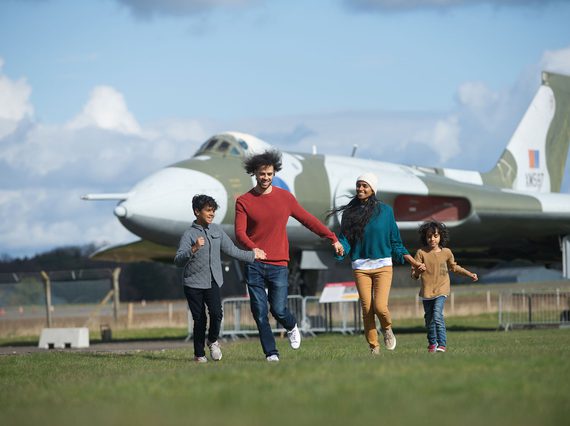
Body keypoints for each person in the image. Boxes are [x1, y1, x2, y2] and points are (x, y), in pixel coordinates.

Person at [235, 150, 344, 362]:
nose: (265, 177)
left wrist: (332, 237)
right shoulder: (244, 201)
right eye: (261, 174)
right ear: (254, 174)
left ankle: (292, 325)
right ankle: (271, 353)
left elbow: (308, 220)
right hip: (254, 263)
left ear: (274, 173)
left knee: (278, 309)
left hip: (278, 264)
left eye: (269, 173)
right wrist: (252, 248)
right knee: (259, 311)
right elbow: (239, 233)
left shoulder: (285, 198)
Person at [330, 172, 424, 354]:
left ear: (373, 189)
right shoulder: (349, 213)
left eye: (364, 185)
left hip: (383, 265)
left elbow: (395, 242)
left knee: (380, 306)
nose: (360, 189)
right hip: (360, 267)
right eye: (358, 185)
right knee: (367, 309)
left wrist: (412, 261)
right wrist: (341, 248)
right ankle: (374, 347)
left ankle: (387, 328)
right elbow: (346, 239)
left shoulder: (386, 211)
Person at [174, 194, 266, 363]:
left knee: (217, 314)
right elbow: (178, 260)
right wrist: (193, 249)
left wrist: (253, 255)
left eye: (213, 211)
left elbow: (232, 250)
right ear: (197, 212)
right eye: (208, 211)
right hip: (193, 283)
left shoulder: (217, 231)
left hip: (213, 281)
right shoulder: (188, 234)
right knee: (199, 319)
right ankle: (199, 354)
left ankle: (213, 341)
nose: (212, 214)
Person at [411, 220, 478, 353]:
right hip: (426, 292)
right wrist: (419, 270)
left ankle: (442, 344)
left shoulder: (446, 252)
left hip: (442, 290)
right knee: (429, 320)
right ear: (425, 237)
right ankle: (432, 344)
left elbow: (455, 268)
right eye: (429, 236)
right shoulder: (420, 253)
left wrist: (469, 274)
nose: (432, 239)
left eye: (435, 236)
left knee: (437, 315)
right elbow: (414, 275)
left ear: (441, 236)